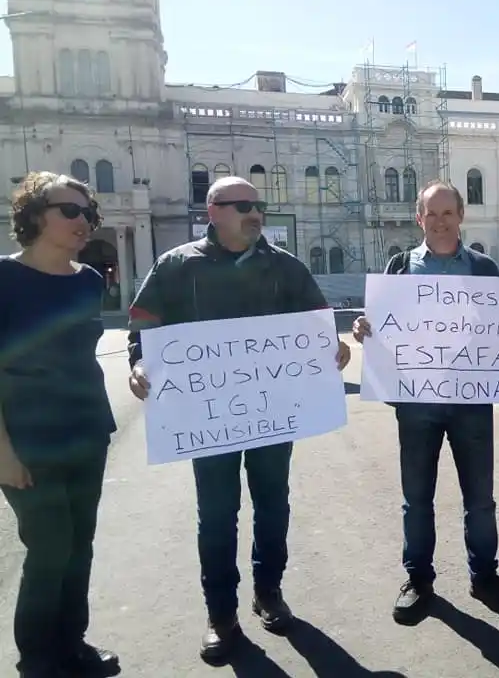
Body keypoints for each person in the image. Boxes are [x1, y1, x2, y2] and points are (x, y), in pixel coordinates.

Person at [126, 176, 351, 662]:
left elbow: (318, 321)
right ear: (213, 211)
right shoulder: (176, 266)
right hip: (208, 422)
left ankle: (268, 592)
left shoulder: (284, 267)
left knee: (273, 506)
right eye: (243, 205)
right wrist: (139, 364)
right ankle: (221, 615)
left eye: (259, 205)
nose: (256, 213)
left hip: (274, 419)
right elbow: (143, 324)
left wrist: (334, 349)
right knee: (217, 515)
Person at [353, 180, 499, 626]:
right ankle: (418, 580)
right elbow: (382, 326)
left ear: (461, 216)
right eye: (431, 214)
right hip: (416, 404)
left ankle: (485, 577)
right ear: (419, 219)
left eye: (447, 213)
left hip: (472, 403)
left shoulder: (484, 268)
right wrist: (365, 327)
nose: (439, 222)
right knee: (416, 499)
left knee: (480, 500)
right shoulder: (398, 269)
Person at [0, 172, 119, 678]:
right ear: (33, 216)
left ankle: (73, 642)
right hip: (26, 436)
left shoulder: (89, 281)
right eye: (68, 211)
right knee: (49, 545)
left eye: (87, 213)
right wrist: (2, 449)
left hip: (86, 428)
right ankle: (38, 657)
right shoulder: (4, 279)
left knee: (80, 542)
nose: (82, 222)